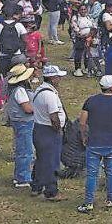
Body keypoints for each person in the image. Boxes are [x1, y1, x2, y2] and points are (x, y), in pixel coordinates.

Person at [78, 75, 112, 213]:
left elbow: (82, 122)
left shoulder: (90, 101)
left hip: (94, 143)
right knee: (111, 172)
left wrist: (84, 136)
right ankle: (111, 199)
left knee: (92, 174)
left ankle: (88, 202)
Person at [30, 65, 67, 201]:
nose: (60, 79)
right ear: (52, 78)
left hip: (40, 128)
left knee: (41, 159)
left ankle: (36, 186)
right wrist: (59, 130)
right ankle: (51, 191)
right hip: (49, 130)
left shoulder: (40, 91)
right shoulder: (49, 95)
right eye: (58, 77)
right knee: (51, 162)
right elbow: (54, 117)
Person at [4, 64, 36, 189]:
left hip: (20, 122)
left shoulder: (14, 90)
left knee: (21, 150)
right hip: (24, 123)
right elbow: (27, 108)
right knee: (26, 151)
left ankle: (19, 175)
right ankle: (23, 178)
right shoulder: (20, 91)